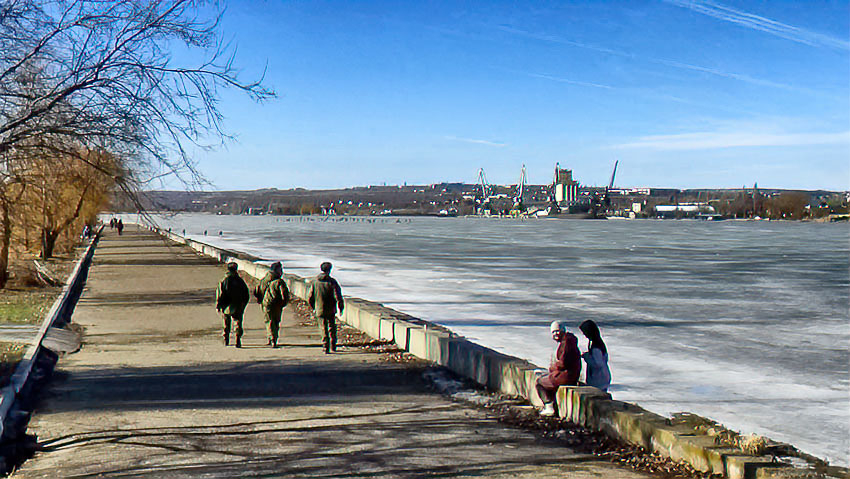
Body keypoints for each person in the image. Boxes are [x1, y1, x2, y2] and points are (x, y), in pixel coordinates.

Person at [536, 320, 581, 417]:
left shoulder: (567, 343)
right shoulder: (568, 341)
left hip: (566, 376)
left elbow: (563, 363)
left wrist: (553, 368)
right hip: (569, 374)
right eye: (553, 332)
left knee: (539, 383)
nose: (555, 334)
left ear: (563, 331)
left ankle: (549, 407)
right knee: (546, 379)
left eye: (558, 331)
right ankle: (553, 405)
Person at [307, 261, 344, 354]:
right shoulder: (332, 282)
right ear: (329, 270)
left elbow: (310, 297)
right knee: (332, 326)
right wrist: (340, 307)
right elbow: (337, 296)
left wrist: (313, 307)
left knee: (323, 327)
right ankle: (333, 345)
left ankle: (325, 345)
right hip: (330, 309)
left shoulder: (315, 282)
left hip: (319, 308)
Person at [254, 262, 290, 348]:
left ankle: (270, 337)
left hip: (266, 304)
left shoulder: (263, 280)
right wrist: (283, 303)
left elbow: (257, 291)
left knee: (269, 321)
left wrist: (261, 300)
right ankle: (274, 338)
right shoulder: (279, 282)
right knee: (276, 321)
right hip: (277, 305)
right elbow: (284, 294)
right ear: (277, 270)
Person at [215, 262, 249, 348]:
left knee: (226, 322)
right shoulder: (240, 281)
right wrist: (243, 304)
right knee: (238, 322)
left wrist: (218, 305)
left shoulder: (224, 280)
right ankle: (238, 339)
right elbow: (246, 294)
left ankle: (226, 339)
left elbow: (220, 294)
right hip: (238, 305)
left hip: (226, 305)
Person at [579, 320, 611, 392]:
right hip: (602, 377)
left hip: (598, 379)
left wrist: (587, 357)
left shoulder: (595, 346)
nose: (585, 335)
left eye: (585, 333)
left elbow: (598, 363)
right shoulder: (598, 343)